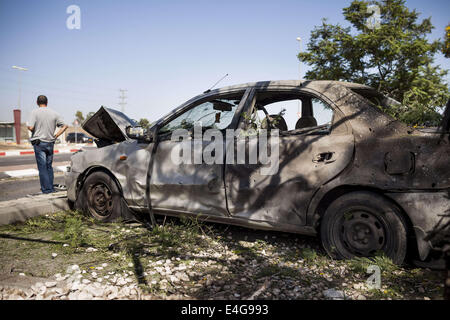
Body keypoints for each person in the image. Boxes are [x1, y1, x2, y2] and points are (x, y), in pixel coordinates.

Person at [27, 95, 68, 194]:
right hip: (50, 142)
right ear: (47, 102)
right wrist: (56, 135)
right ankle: (50, 188)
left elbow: (31, 127)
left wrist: (29, 127)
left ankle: (46, 190)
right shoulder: (54, 113)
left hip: (39, 143)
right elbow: (65, 125)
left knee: (42, 167)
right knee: (49, 166)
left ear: (37, 102)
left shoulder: (34, 112)